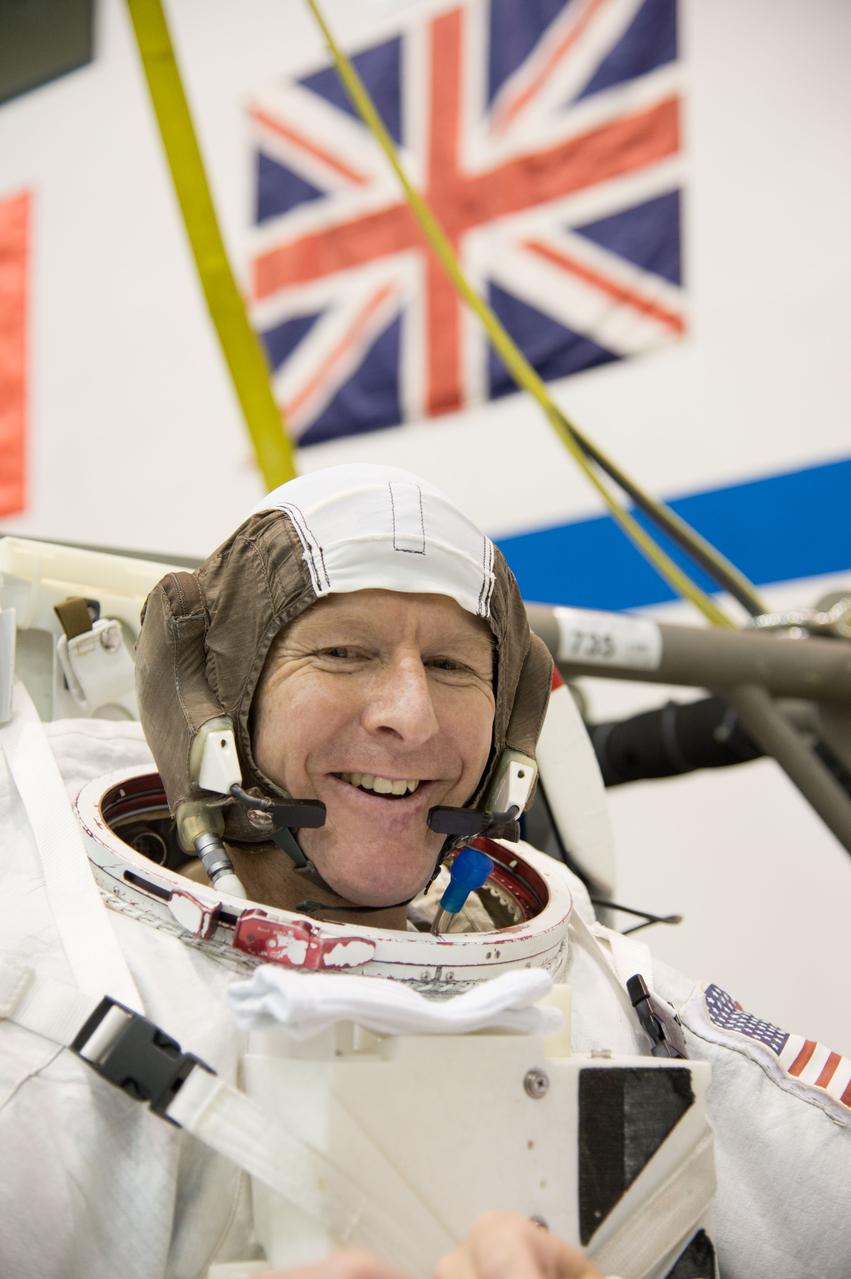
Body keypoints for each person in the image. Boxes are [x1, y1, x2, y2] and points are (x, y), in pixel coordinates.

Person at [0, 463, 848, 1279]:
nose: (409, 714)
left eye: (449, 664)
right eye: (342, 652)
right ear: (213, 702)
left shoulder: (610, 1005)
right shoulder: (52, 1003)